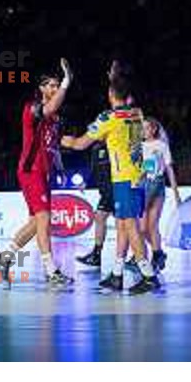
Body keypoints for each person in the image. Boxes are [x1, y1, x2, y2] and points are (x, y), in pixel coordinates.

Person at [62, 67, 158, 294]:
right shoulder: (137, 113)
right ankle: (116, 274)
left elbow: (81, 144)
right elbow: (123, 95)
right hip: (138, 176)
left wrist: (64, 141)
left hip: (122, 178)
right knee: (123, 224)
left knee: (129, 224)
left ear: (110, 95)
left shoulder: (109, 118)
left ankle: (148, 275)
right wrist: (115, 80)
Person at [0, 59, 73, 286]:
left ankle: (5, 256)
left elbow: (53, 146)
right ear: (41, 89)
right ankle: (51, 272)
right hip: (30, 170)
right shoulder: (32, 108)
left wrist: (59, 168)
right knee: (44, 219)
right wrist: (67, 82)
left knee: (35, 223)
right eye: (51, 85)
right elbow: (50, 107)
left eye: (57, 85)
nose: (54, 89)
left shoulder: (56, 119)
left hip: (44, 173)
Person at [140, 117, 181, 271]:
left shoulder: (162, 146)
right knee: (143, 228)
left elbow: (169, 169)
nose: (143, 131)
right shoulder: (138, 146)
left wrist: (176, 192)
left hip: (157, 186)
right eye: (141, 128)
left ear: (153, 129)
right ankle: (158, 253)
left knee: (152, 226)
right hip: (144, 186)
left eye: (146, 128)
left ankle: (156, 256)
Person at [75, 142, 113, 268]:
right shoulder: (96, 148)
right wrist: (86, 182)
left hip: (118, 189)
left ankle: (140, 256)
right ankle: (96, 255)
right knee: (100, 217)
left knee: (127, 224)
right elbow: (94, 169)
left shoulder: (115, 143)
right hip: (105, 192)